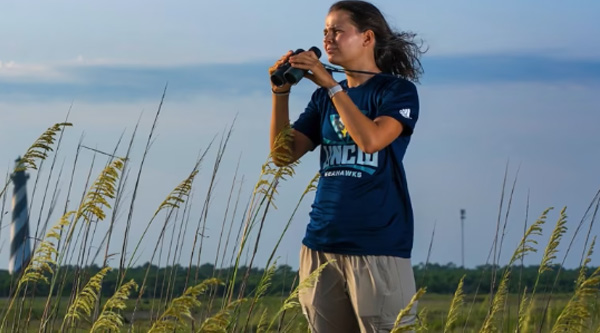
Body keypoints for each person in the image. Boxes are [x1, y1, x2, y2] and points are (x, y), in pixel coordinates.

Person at [268, 1, 426, 332]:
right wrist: (279, 94)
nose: (328, 39)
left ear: (367, 38)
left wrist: (331, 85)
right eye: (325, 31)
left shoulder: (396, 91)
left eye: (338, 31)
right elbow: (283, 155)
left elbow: (371, 140)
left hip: (377, 245)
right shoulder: (324, 99)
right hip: (321, 243)